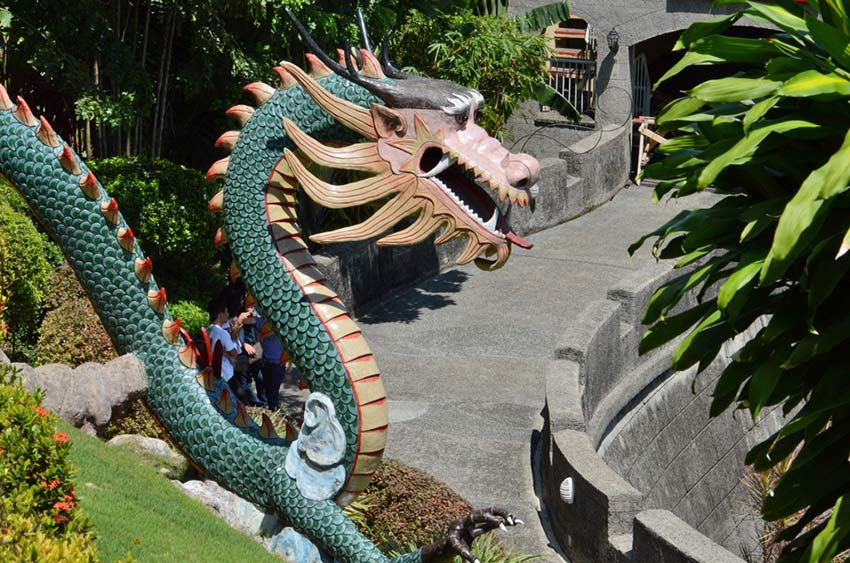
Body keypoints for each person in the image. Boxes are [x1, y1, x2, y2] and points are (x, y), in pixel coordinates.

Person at [207, 296, 240, 395]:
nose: (228, 314)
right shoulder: (223, 333)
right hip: (226, 374)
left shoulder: (209, 329)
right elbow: (234, 353)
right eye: (226, 312)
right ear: (220, 315)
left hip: (214, 373)